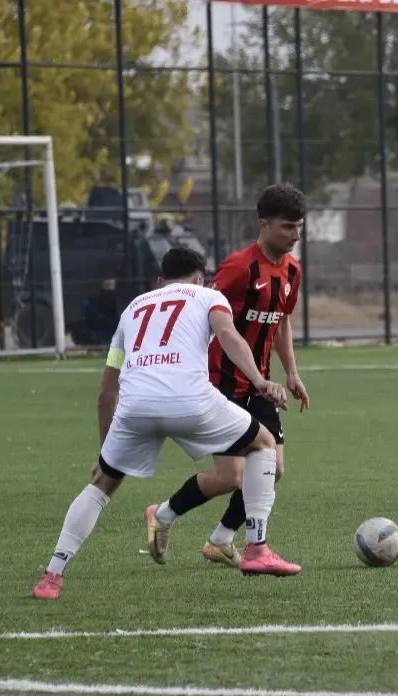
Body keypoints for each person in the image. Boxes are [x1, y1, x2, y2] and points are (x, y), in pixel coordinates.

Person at [32, 247, 294, 600]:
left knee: (100, 487)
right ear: (200, 278)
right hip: (191, 401)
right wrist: (259, 380)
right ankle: (256, 548)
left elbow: (106, 392)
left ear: (160, 281)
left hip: (135, 407)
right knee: (262, 444)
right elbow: (229, 337)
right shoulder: (209, 296)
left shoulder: (132, 309)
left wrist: (105, 450)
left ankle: (52, 575)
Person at [142, 184, 311, 570]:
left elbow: (281, 321)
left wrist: (293, 373)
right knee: (233, 476)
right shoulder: (238, 268)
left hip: (262, 383)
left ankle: (222, 540)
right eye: (288, 227)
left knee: (274, 469)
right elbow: (200, 312)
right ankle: (163, 514)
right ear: (264, 225)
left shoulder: (293, 270)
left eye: (300, 227)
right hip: (223, 383)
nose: (296, 235)